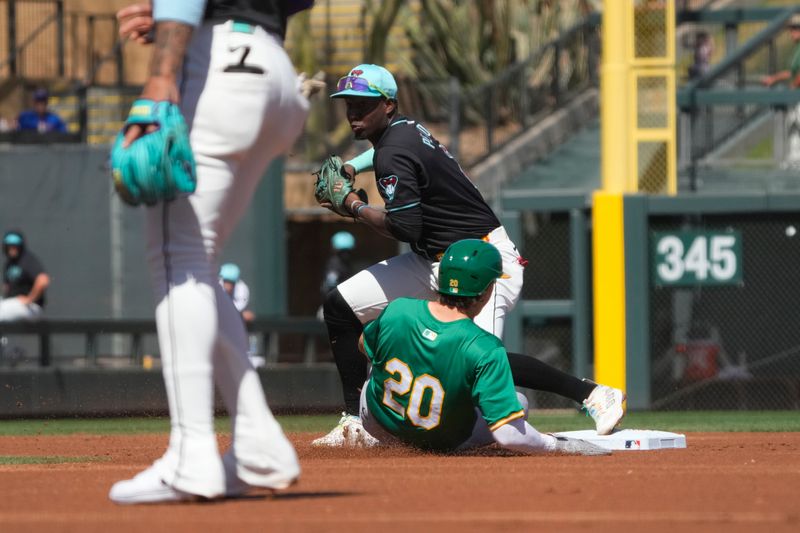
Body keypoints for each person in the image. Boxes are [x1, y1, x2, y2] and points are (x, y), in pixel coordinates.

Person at [312, 64, 625, 447]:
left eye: (364, 103)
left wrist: (352, 205)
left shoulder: (394, 151)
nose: (353, 113)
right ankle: (354, 422)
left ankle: (592, 393)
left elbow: (405, 227)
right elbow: (388, 152)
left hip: (482, 262)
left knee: (474, 354)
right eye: (349, 104)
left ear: (388, 106)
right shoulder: (406, 130)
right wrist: (350, 165)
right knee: (341, 305)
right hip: (433, 260)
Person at [108, 0, 313, 505]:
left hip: (220, 65)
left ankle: (190, 456)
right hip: (277, 73)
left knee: (178, 259)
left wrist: (161, 74)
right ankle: (258, 445)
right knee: (195, 262)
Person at [346, 239, 607, 456]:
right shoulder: (484, 346)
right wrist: (561, 446)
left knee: (375, 376)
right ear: (483, 292)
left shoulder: (399, 308)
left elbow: (363, 345)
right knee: (518, 403)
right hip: (440, 440)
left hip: (377, 423)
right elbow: (509, 435)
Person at [1, 230, 50, 322]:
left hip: (31, 307)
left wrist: (30, 299)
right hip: (13, 304)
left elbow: (43, 280)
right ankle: (4, 337)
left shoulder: (27, 260)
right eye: (9, 246)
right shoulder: (9, 264)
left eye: (15, 246)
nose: (12, 248)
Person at [761, 14, 800, 89]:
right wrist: (773, 78)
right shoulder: (797, 47)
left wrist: (793, 86)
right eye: (791, 28)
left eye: (796, 28)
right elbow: (792, 73)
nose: (792, 31)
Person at [320, 231, 356, 302]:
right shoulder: (335, 264)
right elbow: (329, 286)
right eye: (342, 252)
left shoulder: (346, 264)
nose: (345, 255)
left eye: (348, 251)